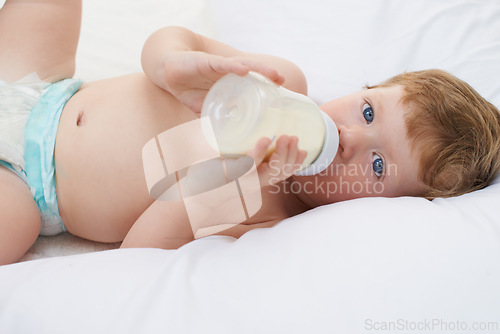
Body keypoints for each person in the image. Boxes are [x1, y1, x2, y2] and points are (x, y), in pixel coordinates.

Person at [1, 0, 499, 265]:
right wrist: (173, 62)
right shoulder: (283, 82)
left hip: (29, 187)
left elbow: (138, 252)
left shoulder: (268, 216)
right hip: (45, 86)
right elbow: (174, 41)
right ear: (364, 88)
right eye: (368, 112)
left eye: (376, 165)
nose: (348, 137)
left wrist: (236, 180)